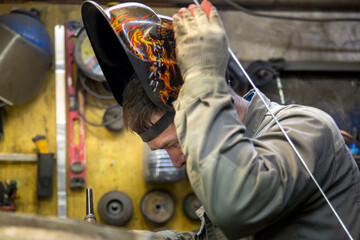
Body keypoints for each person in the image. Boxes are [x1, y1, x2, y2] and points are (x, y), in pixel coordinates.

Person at [82, 1, 360, 239]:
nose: (176, 160)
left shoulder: (305, 128)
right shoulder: (221, 154)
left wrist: (202, 77)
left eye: (175, 142)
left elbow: (236, 209)